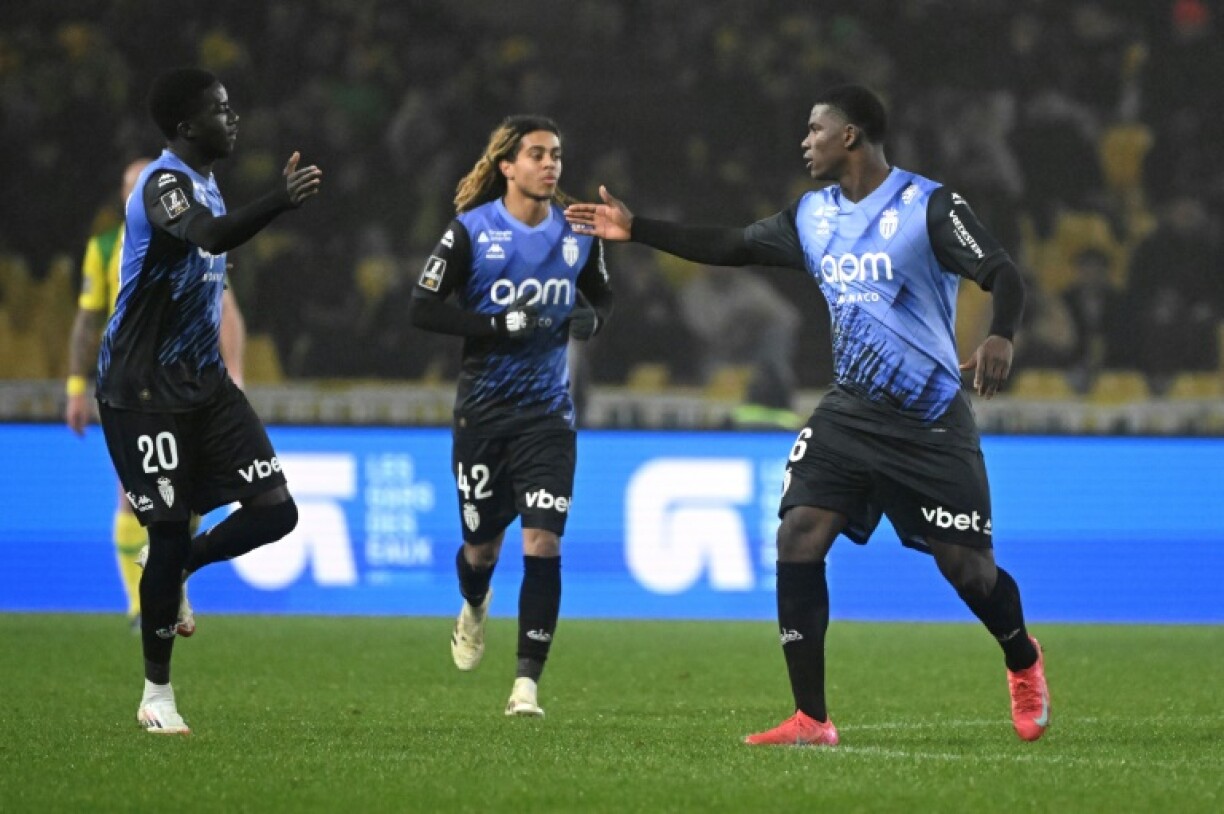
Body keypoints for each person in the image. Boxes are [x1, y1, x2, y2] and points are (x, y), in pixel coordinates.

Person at [566, 85, 1050, 745]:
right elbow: (732, 244)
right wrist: (636, 228)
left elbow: (1003, 272)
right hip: (849, 413)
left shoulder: (927, 205)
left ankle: (1021, 656)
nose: (805, 140)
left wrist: (1002, 334)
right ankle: (811, 718)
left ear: (849, 136)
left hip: (929, 418)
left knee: (968, 571)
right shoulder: (811, 217)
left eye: (815, 128)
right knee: (798, 534)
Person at [96, 67, 321, 734]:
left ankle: (180, 567)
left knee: (276, 512)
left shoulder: (207, 181)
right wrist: (278, 201)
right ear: (188, 125)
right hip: (143, 390)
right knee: (166, 528)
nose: (235, 118)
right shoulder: (163, 184)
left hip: (205, 384)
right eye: (222, 110)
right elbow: (211, 237)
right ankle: (156, 696)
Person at [409, 115, 612, 718]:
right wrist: (495, 325)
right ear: (507, 166)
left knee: (543, 542)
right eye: (537, 155)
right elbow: (422, 308)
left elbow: (599, 295)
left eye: (556, 155)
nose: (551, 165)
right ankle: (473, 606)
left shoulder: (580, 233)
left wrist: (591, 320)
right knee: (482, 551)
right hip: (483, 417)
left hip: (548, 416)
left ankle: (526, 684)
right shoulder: (469, 232)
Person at [66, 158, 248, 632]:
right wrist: (75, 386)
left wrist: (236, 371)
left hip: (186, 381)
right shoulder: (105, 248)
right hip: (129, 381)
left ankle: (173, 580)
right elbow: (87, 320)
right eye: (133, 188)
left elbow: (226, 309)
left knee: (186, 499)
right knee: (133, 494)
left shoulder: (190, 238)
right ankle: (139, 605)